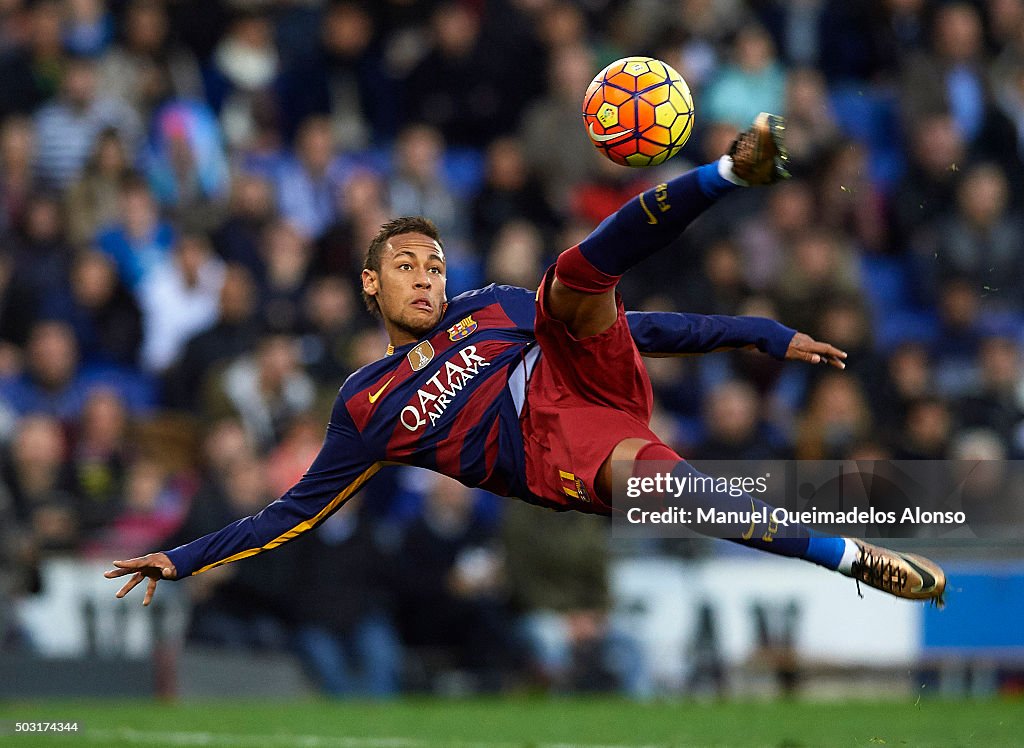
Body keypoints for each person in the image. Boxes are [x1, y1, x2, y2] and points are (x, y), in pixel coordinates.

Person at [106, 114, 946, 608]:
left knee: (574, 277)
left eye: (434, 263)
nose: (428, 276)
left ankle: (729, 171)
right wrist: (182, 557)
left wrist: (757, 332)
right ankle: (848, 555)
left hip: (590, 373)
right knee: (681, 496)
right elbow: (289, 512)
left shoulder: (490, 307)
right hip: (556, 450)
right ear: (369, 285)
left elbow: (642, 326)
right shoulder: (366, 406)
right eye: (407, 266)